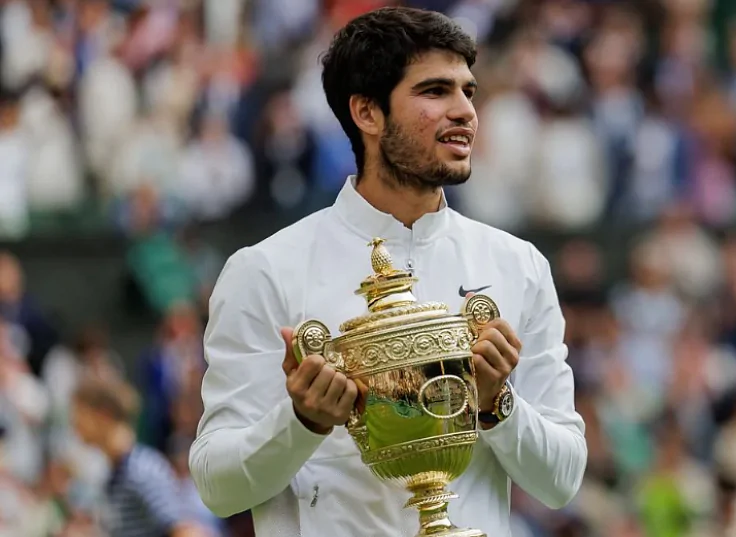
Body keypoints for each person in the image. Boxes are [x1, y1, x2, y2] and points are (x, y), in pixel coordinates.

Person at [189, 7, 587, 536]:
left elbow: (562, 480)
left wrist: (497, 404)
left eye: (468, 91)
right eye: (434, 91)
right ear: (367, 113)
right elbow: (217, 488)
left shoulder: (518, 265)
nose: (464, 110)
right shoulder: (265, 270)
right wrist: (302, 421)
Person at [70, 376, 209, 537]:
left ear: (103, 415)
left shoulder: (141, 470)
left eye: (79, 414)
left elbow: (186, 530)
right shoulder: (114, 473)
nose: (75, 424)